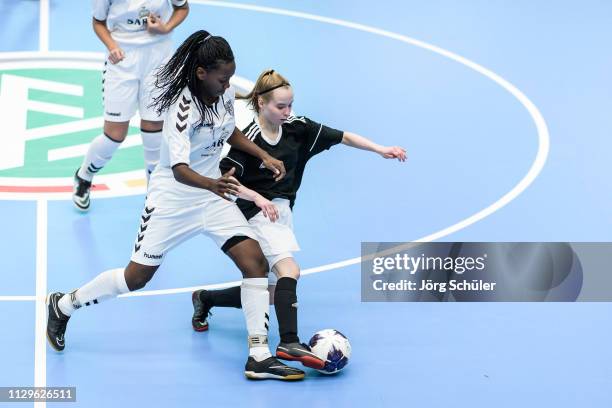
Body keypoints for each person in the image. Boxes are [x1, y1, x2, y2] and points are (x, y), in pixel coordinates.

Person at [47, 31, 307, 381]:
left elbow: (229, 131)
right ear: (201, 73)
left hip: (212, 196)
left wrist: (263, 154)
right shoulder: (181, 108)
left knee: (255, 262)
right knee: (135, 277)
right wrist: (215, 183)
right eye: (222, 78)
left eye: (230, 76)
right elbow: (180, 170)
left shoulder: (224, 93)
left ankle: (258, 355)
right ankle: (64, 304)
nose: (228, 84)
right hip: (173, 197)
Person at [191, 69, 407, 369]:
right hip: (253, 213)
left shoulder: (297, 128)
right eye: (281, 106)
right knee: (289, 270)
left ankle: (206, 299)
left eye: (290, 104)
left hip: (282, 213)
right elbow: (226, 180)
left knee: (268, 292)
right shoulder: (250, 139)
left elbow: (343, 136)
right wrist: (258, 197)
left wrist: (380, 149)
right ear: (260, 103)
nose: (288, 111)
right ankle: (288, 342)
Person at [72, 0, 189, 211]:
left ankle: (154, 194)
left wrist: (167, 26)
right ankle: (84, 175)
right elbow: (98, 22)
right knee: (114, 134)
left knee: (154, 128)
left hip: (159, 59)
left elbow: (182, 7)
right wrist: (112, 46)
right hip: (122, 61)